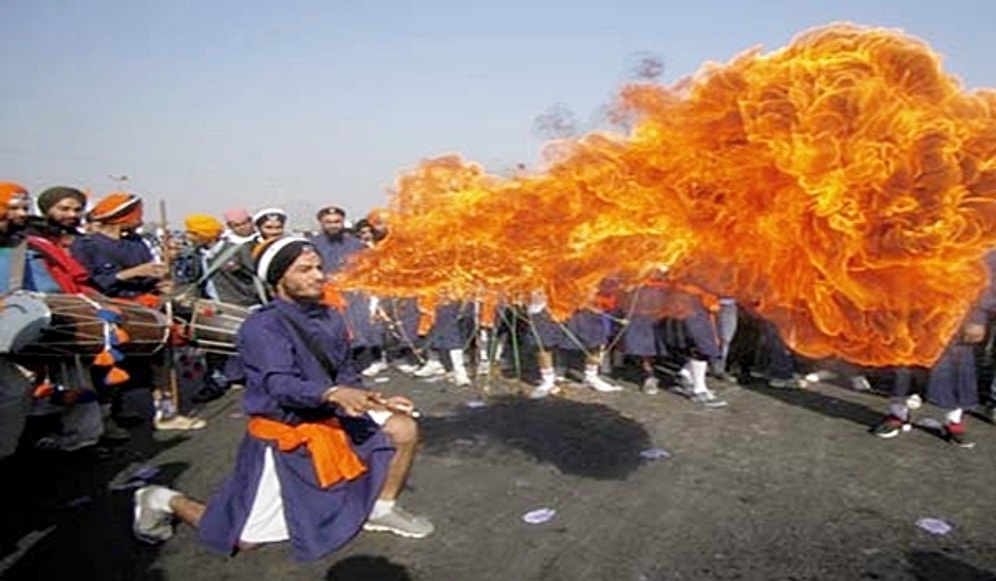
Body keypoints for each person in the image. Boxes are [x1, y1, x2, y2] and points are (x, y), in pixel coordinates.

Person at [132, 237, 433, 560]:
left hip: (329, 415)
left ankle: (381, 508)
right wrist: (331, 393)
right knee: (243, 540)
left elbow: (344, 372)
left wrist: (376, 401)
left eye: (318, 267)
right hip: (287, 431)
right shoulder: (262, 326)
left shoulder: (330, 316)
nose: (318, 275)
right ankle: (161, 499)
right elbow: (279, 385)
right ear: (279, 279)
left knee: (402, 428)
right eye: (304, 270)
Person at [71, 192, 206, 431]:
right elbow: (89, 282)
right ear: (120, 217)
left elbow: (149, 278)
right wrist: (133, 273)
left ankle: (166, 413)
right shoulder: (86, 246)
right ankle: (110, 419)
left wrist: (161, 283)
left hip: (147, 309)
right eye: (137, 215)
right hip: (110, 313)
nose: (141, 220)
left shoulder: (137, 242)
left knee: (160, 363)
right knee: (111, 368)